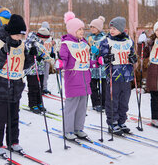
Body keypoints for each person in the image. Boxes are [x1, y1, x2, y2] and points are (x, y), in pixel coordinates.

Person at [0, 14, 35, 155]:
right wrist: (3, 52)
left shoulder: (21, 45)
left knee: (14, 117)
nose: (20, 38)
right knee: (0, 117)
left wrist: (32, 56)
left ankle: (13, 141)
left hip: (16, 86)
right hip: (1, 86)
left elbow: (24, 64)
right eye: (18, 35)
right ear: (11, 32)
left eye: (22, 35)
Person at [56, 12, 96, 140]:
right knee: (71, 107)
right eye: (79, 29)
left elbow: (86, 61)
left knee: (82, 107)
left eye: (83, 29)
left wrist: (96, 63)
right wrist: (60, 63)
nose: (82, 31)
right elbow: (64, 59)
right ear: (72, 30)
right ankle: (68, 130)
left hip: (85, 80)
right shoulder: (66, 44)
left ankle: (78, 128)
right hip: (73, 79)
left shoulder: (84, 43)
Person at [99, 16, 137, 135]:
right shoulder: (106, 41)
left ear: (121, 29)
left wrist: (133, 59)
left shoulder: (129, 41)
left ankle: (121, 121)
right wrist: (105, 58)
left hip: (126, 76)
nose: (112, 30)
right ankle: (112, 122)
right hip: (113, 75)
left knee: (124, 100)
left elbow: (132, 54)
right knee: (112, 100)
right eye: (111, 28)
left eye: (115, 28)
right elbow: (100, 58)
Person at [25, 28, 54, 114]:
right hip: (31, 68)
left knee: (39, 86)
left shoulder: (41, 43)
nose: (45, 40)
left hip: (40, 68)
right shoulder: (31, 40)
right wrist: (32, 54)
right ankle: (32, 104)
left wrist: (48, 56)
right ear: (42, 36)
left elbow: (43, 52)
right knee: (33, 86)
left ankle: (39, 102)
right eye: (45, 38)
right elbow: (27, 50)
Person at [86, 16, 107, 112]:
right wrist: (90, 50)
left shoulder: (104, 38)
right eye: (91, 27)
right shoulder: (89, 38)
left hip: (102, 67)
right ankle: (96, 103)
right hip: (92, 66)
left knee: (103, 86)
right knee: (93, 86)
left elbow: (107, 49)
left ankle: (104, 103)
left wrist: (99, 52)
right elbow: (85, 48)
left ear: (99, 28)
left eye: (94, 27)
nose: (92, 29)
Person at [40, 22, 56, 94]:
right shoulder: (40, 37)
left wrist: (53, 52)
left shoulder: (50, 37)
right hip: (41, 57)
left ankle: (44, 87)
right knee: (41, 73)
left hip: (48, 57)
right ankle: (40, 87)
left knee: (46, 74)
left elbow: (52, 46)